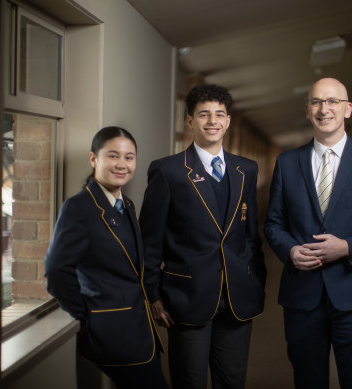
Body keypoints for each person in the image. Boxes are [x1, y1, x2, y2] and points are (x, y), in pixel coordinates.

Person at [264, 77, 352, 388]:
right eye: (317, 102)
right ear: (307, 110)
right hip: (302, 294)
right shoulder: (286, 162)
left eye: (333, 101)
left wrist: (348, 247)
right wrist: (290, 251)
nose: (325, 109)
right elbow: (273, 222)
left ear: (348, 109)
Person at [139, 84, 266, 389]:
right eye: (204, 114)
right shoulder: (168, 171)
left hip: (236, 297)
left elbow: (250, 236)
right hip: (186, 298)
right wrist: (153, 295)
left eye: (219, 114)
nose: (212, 121)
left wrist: (255, 279)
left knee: (232, 381)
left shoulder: (245, 169)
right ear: (190, 121)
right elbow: (149, 242)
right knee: (189, 382)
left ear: (228, 120)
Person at [44, 126, 168, 389]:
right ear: (93, 159)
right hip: (113, 332)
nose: (122, 164)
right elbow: (56, 271)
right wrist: (87, 316)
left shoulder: (127, 205)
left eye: (129, 157)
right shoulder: (79, 208)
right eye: (113, 156)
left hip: (139, 328)